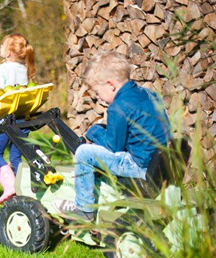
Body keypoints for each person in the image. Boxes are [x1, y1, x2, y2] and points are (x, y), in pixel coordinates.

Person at [53, 51, 171, 221]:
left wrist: (94, 131)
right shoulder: (149, 94)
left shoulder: (118, 107)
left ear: (110, 85)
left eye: (97, 91)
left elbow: (112, 147)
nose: (98, 98)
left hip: (139, 167)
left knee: (84, 153)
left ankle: (84, 207)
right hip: (159, 163)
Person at [0, 34, 36, 204]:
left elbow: (0, 94)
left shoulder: (1, 69)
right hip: (22, 118)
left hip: (6, 119)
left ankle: (10, 186)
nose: (0, 47)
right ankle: (25, 189)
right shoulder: (24, 69)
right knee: (16, 158)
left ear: (9, 52)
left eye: (2, 45)